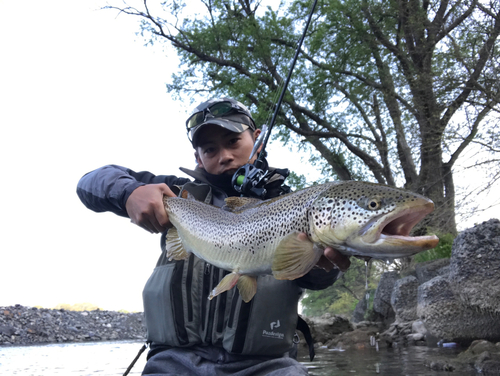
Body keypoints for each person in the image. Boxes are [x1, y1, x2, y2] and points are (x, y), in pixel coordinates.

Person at [77, 98, 350, 375]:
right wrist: (128, 193)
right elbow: (89, 182)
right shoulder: (175, 193)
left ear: (257, 140)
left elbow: (320, 279)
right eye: (210, 149)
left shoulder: (295, 207)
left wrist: (317, 264)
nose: (224, 156)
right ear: (198, 158)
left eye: (233, 142)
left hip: (267, 365)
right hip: (174, 362)